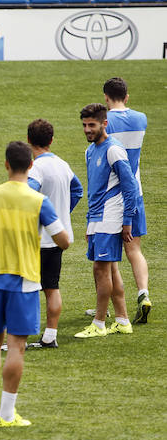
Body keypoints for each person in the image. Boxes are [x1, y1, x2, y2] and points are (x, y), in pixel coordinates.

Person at [0, 142, 69, 427]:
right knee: (16, 347)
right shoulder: (38, 201)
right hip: (24, 281)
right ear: (30, 166)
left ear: (5, 164)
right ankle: (6, 414)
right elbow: (63, 240)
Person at [75, 103, 139, 339]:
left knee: (101, 270)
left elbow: (130, 185)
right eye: (84, 125)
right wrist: (89, 222)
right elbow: (95, 189)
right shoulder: (90, 151)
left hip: (111, 218)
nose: (87, 130)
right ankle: (122, 320)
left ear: (104, 124)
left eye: (92, 125)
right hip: (97, 219)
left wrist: (127, 221)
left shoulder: (114, 149)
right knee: (110, 270)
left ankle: (99, 323)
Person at [25, 118, 84, 349]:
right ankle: (50, 336)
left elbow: (28, 195)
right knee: (52, 287)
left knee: (25, 289)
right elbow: (77, 190)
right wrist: (59, 216)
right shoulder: (63, 164)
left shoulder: (36, 168)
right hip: (58, 238)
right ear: (51, 140)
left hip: (38, 239)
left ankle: (17, 338)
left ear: (29, 140)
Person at [103, 77, 151, 324]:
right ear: (127, 96)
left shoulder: (105, 122)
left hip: (113, 193)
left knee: (108, 255)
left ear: (106, 97)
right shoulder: (141, 119)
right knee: (134, 250)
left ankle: (106, 305)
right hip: (137, 192)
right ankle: (143, 293)